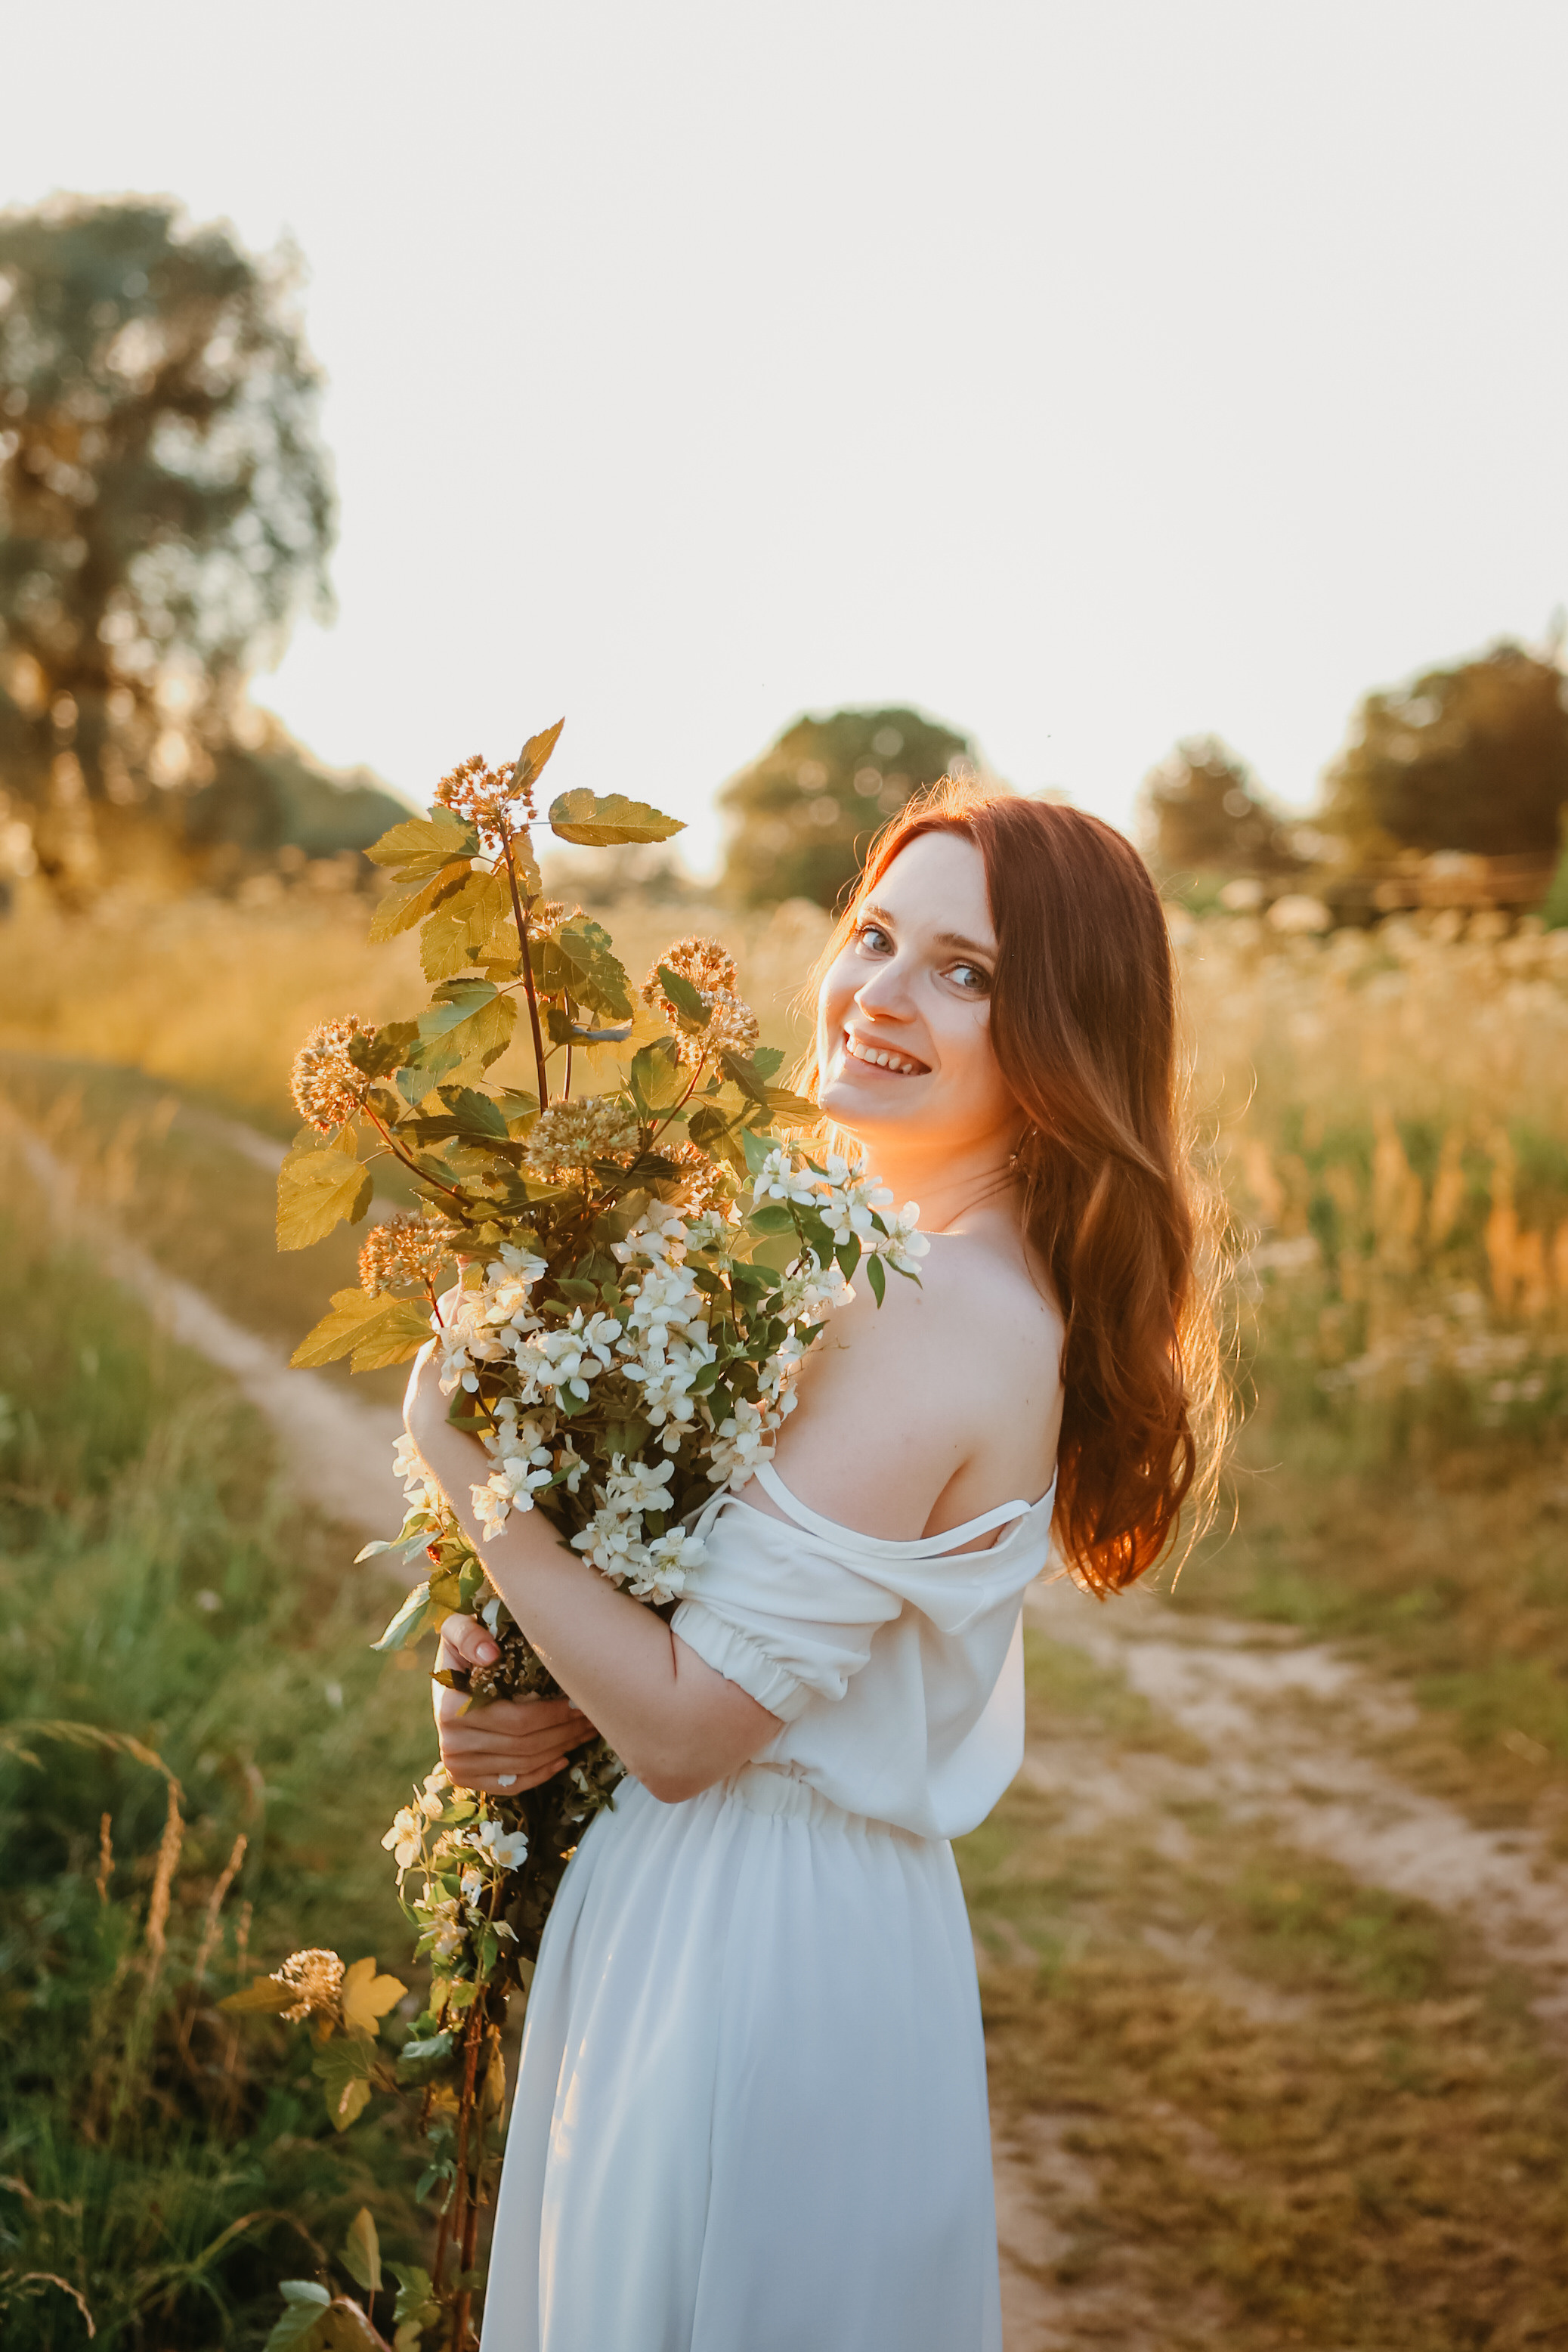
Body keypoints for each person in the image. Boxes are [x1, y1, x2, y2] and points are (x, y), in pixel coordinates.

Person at [403, 780, 1223, 2352]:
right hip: (758, 1911)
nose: (879, 994)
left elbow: (694, 1728)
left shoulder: (943, 1306)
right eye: (874, 936)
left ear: (1063, 1031)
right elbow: (741, 1648)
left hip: (755, 1947)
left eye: (964, 971)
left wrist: (463, 1449)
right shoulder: (887, 1261)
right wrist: (532, 1689)